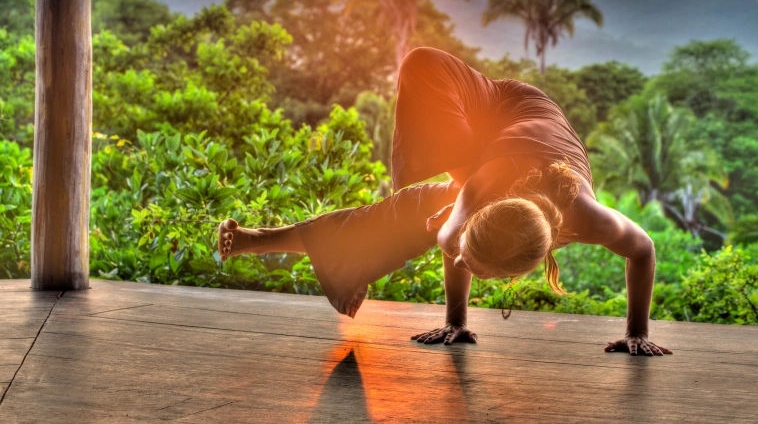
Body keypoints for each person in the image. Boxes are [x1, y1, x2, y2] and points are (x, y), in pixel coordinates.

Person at [218, 47, 670, 356]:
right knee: (421, 63)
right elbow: (453, 240)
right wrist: (456, 234)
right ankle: (264, 239)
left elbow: (643, 249)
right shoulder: (484, 184)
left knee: (404, 218)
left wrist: (637, 333)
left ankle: (259, 239)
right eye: (468, 257)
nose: (464, 262)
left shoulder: (589, 219)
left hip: (517, 137)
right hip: (497, 109)